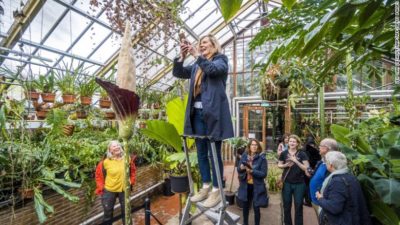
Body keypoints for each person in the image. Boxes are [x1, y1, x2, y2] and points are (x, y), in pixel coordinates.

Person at [172, 34, 234, 208]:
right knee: (201, 153)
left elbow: (213, 70)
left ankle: (216, 189)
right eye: (200, 44)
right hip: (197, 114)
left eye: (205, 43)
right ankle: (205, 186)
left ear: (214, 44)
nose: (201, 45)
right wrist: (182, 57)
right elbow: (178, 72)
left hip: (213, 115)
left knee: (213, 153)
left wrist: (196, 56)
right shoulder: (196, 66)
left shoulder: (221, 60)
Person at [316, 151, 372, 225]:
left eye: (326, 162)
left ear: (331, 165)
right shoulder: (350, 176)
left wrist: (320, 199)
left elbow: (334, 208)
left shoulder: (338, 182)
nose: (325, 164)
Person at [95, 140, 136, 225]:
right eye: (114, 146)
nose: (117, 147)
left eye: (118, 145)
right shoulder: (105, 162)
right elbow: (98, 176)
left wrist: (131, 181)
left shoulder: (127, 159)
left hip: (124, 189)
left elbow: (132, 171)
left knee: (126, 212)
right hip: (109, 190)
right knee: (108, 213)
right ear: (110, 150)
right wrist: (101, 187)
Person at [278, 135, 310, 225]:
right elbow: (279, 165)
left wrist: (295, 161)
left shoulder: (302, 154)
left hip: (299, 184)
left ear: (297, 143)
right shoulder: (284, 153)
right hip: (287, 183)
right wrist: (285, 165)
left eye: (294, 142)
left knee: (299, 206)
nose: (292, 143)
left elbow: (307, 168)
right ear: (288, 142)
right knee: (286, 206)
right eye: (290, 141)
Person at [237, 139, 268, 225]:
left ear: (258, 147)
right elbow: (238, 169)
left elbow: (264, 174)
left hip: (256, 186)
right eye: (252, 145)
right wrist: (241, 168)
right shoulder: (244, 156)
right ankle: (245, 223)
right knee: (245, 207)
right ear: (249, 146)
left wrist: (252, 171)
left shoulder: (262, 158)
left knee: (256, 207)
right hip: (246, 185)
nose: (254, 146)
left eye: (256, 145)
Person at [309, 138, 337, 214]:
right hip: (316, 199)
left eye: (320, 146)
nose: (318, 148)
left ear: (327, 148)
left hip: (323, 203)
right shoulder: (322, 161)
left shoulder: (333, 164)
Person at [302, 136, 321, 207]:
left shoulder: (304, 150)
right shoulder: (316, 150)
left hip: (306, 170)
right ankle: (309, 200)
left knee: (307, 186)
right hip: (313, 170)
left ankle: (308, 201)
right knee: (310, 185)